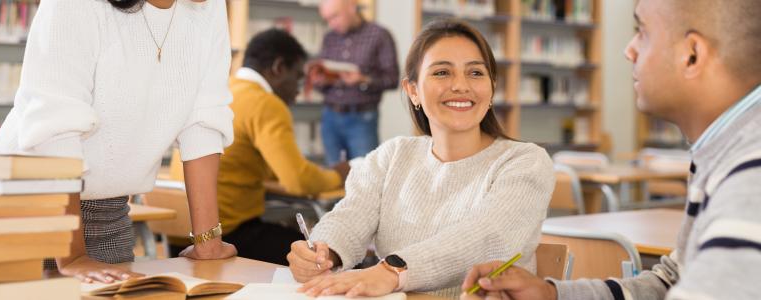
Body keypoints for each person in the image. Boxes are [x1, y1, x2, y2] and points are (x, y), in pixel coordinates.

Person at [461, 0, 761, 299]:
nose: (628, 50)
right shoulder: (721, 152)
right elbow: (672, 281)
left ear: (691, 55)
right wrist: (552, 295)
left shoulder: (750, 175)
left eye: (641, 32)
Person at [286, 19, 555, 298]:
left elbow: (488, 237)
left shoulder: (527, 161)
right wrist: (322, 251)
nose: (461, 85)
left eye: (475, 73)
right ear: (412, 90)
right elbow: (350, 216)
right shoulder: (392, 156)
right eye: (442, 72)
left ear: (492, 88)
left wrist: (392, 272)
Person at [0, 0, 237, 283]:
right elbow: (55, 126)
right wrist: (72, 258)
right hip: (27, 211)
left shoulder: (209, 6)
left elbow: (202, 119)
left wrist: (208, 242)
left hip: (109, 212)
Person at [216, 29, 350, 266]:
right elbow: (297, 180)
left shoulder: (223, 88)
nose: (298, 92)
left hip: (189, 233)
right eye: (298, 78)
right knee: (332, 256)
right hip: (230, 235)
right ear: (278, 68)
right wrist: (338, 175)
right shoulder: (266, 104)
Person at [312, 0, 399, 166]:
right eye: (327, 19)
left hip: (362, 119)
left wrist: (363, 80)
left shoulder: (379, 35)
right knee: (333, 176)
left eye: (335, 16)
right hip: (329, 116)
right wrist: (319, 79)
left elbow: (392, 79)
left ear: (352, 7)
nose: (331, 23)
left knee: (366, 174)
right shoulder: (329, 38)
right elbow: (321, 78)